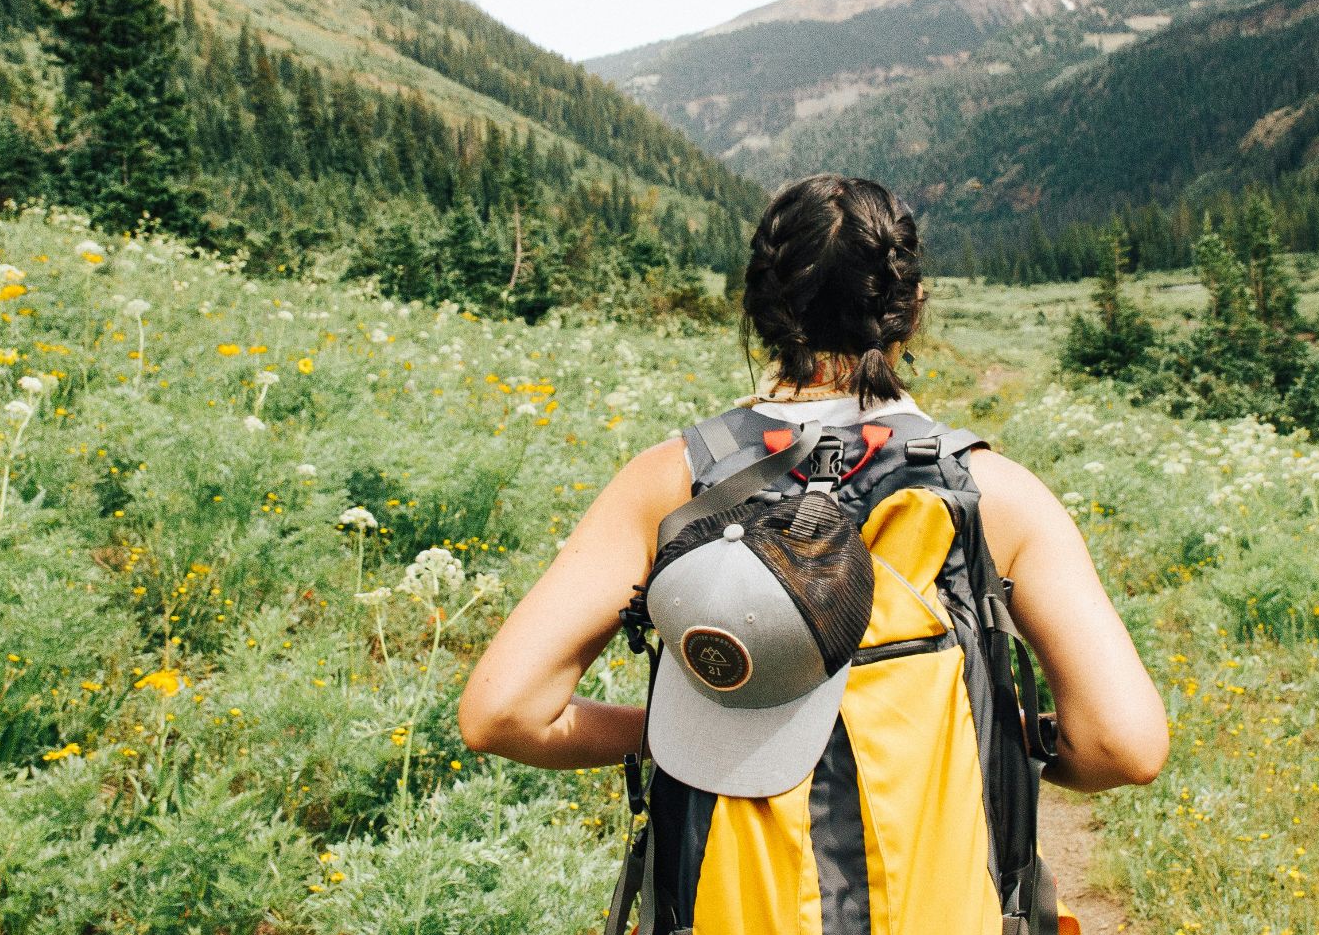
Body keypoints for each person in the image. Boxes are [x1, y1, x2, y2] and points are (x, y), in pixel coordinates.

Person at [457, 173, 1167, 796]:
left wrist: (678, 735)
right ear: (912, 309)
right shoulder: (994, 491)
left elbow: (504, 714)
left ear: (759, 311)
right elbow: (1123, 746)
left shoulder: (672, 479)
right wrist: (984, 737)